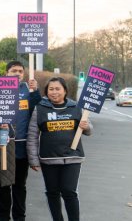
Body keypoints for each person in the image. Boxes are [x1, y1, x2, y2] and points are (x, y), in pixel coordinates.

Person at [27, 77, 92, 221]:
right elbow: (32, 135)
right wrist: (33, 160)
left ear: (65, 91)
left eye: (58, 89)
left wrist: (86, 126)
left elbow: (88, 130)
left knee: (69, 191)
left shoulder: (76, 107)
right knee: (52, 192)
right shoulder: (40, 108)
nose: (54, 92)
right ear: (46, 91)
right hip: (49, 159)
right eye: (51, 89)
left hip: (72, 157)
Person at [0, 60, 40, 221]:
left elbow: (37, 110)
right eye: (13, 70)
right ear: (6, 73)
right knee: (4, 185)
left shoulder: (28, 90)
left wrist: (35, 92)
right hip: (3, 144)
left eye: (20, 71)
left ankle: (19, 217)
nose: (17, 73)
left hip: (22, 146)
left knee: (19, 185)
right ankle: (3, 217)